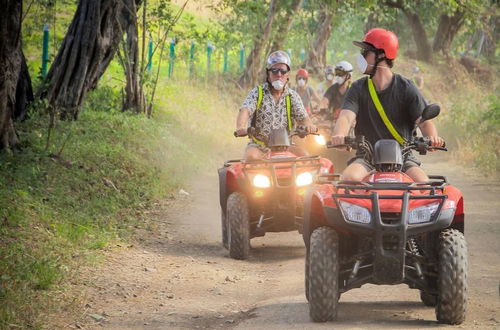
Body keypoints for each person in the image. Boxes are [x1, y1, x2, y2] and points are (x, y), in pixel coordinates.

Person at [331, 28, 444, 182]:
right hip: (367, 157)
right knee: (348, 179)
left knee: (423, 185)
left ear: (381, 55)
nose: (362, 56)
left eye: (366, 52)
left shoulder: (406, 87)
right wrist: (339, 135)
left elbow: (424, 122)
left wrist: (432, 139)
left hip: (403, 157)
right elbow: (346, 117)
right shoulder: (358, 88)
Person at [235, 50, 317, 161]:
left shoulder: (292, 96)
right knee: (251, 157)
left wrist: (309, 126)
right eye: (275, 70)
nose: (279, 74)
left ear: (287, 74)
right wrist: (241, 127)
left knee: (305, 157)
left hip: (286, 146)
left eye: (283, 71)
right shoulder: (257, 93)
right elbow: (245, 110)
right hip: (260, 146)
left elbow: (304, 118)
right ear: (268, 74)